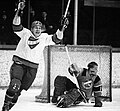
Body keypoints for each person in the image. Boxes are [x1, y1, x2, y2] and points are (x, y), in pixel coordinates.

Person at [1, 1, 69, 111]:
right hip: (19, 64)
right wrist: (19, 11)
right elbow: (16, 25)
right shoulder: (25, 33)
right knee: (15, 84)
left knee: (18, 91)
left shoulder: (44, 37)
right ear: (31, 28)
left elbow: (57, 39)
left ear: (41, 29)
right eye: (35, 27)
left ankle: (8, 107)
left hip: (32, 68)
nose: (37, 29)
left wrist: (61, 28)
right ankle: (5, 106)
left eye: (39, 27)